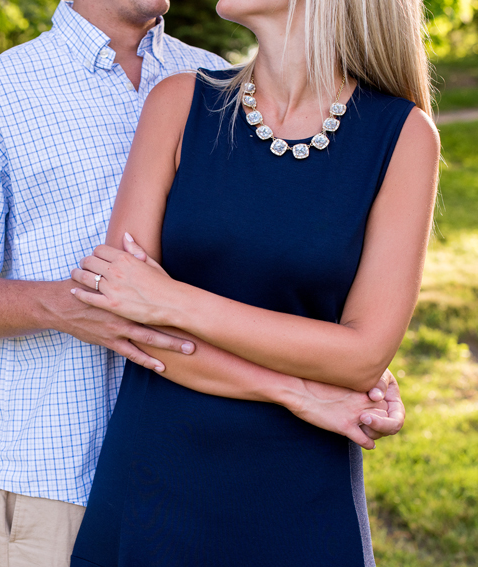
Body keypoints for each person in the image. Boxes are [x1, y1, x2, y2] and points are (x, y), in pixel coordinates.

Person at [0, 0, 407, 565]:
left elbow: (272, 268)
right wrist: (65, 306)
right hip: (56, 474)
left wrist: (352, 367)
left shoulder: (210, 80)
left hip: (230, 452)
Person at [66, 0, 438, 563]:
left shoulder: (404, 136)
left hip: (302, 496)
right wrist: (295, 388)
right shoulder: (178, 103)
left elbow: (362, 356)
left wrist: (172, 300)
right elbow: (126, 317)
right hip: (155, 482)